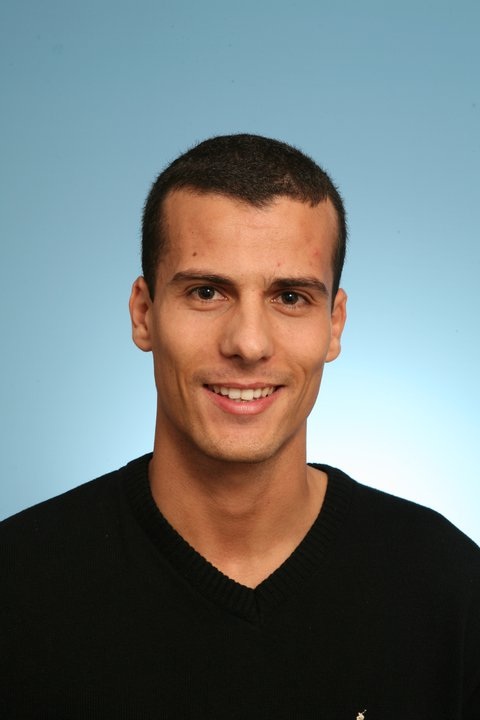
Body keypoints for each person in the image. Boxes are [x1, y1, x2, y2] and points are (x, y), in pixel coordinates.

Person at [1, 134, 479, 719]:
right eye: (207, 292)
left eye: (291, 297)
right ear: (144, 313)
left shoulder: (449, 586)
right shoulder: (17, 585)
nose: (248, 344)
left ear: (335, 324)